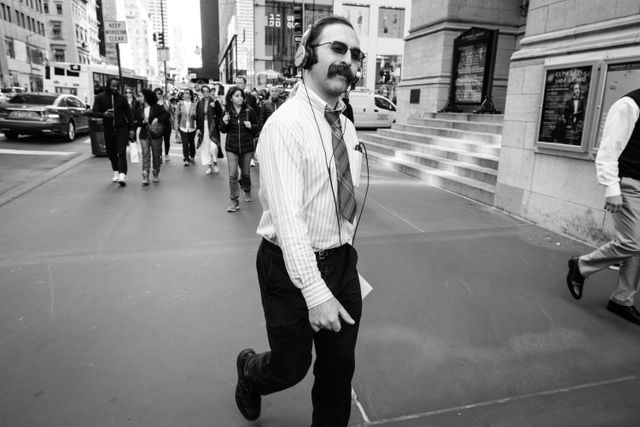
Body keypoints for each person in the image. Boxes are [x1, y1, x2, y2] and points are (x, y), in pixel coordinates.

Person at [234, 15, 365, 426]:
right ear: (307, 55)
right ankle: (250, 373)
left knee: (338, 371)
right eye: (338, 49)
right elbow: (288, 221)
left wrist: (341, 268)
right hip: (288, 267)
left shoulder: (345, 125)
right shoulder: (284, 126)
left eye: (356, 55)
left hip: (341, 261)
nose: (350, 61)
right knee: (291, 368)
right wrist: (316, 292)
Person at [567, 88, 640, 325]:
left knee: (638, 248)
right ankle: (581, 265)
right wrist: (612, 188)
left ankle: (622, 300)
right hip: (629, 184)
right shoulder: (630, 103)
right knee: (633, 242)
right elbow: (608, 150)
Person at [219, 86, 260, 212]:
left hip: (247, 147)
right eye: (236, 96)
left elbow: (257, 127)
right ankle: (234, 200)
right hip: (232, 147)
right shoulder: (227, 111)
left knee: (246, 173)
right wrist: (224, 123)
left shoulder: (249, 111)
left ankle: (247, 190)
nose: (240, 98)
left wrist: (251, 126)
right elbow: (223, 130)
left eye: (241, 95)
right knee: (232, 174)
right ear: (231, 98)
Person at [91, 77, 135, 186]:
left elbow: (129, 114)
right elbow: (94, 112)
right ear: (108, 85)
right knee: (111, 152)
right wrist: (104, 114)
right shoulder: (100, 97)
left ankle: (122, 174)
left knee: (121, 151)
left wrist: (132, 129)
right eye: (113, 86)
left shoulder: (122, 98)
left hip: (121, 128)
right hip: (108, 129)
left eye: (117, 86)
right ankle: (116, 170)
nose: (115, 88)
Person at [137, 89, 170, 185]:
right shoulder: (139, 108)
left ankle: (156, 172)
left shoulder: (156, 107)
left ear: (146, 97)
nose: (139, 98)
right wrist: (142, 122)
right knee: (145, 154)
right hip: (144, 134)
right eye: (139, 96)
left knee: (156, 154)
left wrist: (157, 118)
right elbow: (136, 122)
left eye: (140, 96)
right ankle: (145, 175)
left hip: (156, 134)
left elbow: (167, 114)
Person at [195, 84, 223, 175]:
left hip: (213, 126)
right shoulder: (199, 103)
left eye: (208, 91)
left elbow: (220, 114)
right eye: (204, 91)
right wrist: (198, 128)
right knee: (205, 147)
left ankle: (215, 163)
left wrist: (215, 106)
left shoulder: (215, 101)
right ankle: (209, 166)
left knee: (214, 146)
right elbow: (198, 117)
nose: (206, 93)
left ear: (210, 92)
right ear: (201, 92)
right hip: (203, 127)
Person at [175, 89, 198, 166]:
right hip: (183, 126)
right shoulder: (180, 104)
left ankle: (192, 155)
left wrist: (194, 115)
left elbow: (197, 117)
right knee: (185, 143)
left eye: (187, 93)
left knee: (191, 142)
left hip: (192, 127)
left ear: (190, 95)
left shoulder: (194, 104)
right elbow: (177, 117)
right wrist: (176, 128)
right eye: (184, 93)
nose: (184, 94)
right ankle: (186, 159)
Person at [154, 88, 173, 162]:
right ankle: (159, 155)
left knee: (167, 140)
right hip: (158, 124)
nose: (157, 95)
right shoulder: (153, 103)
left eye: (159, 93)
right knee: (159, 140)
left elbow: (171, 112)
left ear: (162, 94)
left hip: (167, 124)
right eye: (156, 93)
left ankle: (167, 154)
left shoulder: (167, 102)